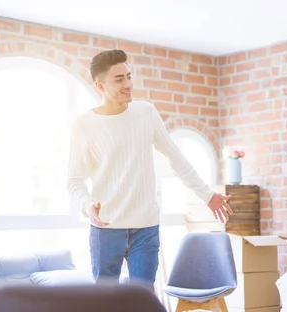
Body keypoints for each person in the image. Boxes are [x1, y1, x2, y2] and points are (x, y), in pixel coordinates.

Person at [66, 49, 232, 288]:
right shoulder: (84, 126)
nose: (128, 84)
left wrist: (207, 195)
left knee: (143, 303)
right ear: (100, 86)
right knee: (104, 307)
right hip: (106, 229)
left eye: (129, 76)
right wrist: (87, 205)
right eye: (119, 79)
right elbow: (74, 180)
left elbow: (176, 158)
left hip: (145, 228)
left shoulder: (146, 112)